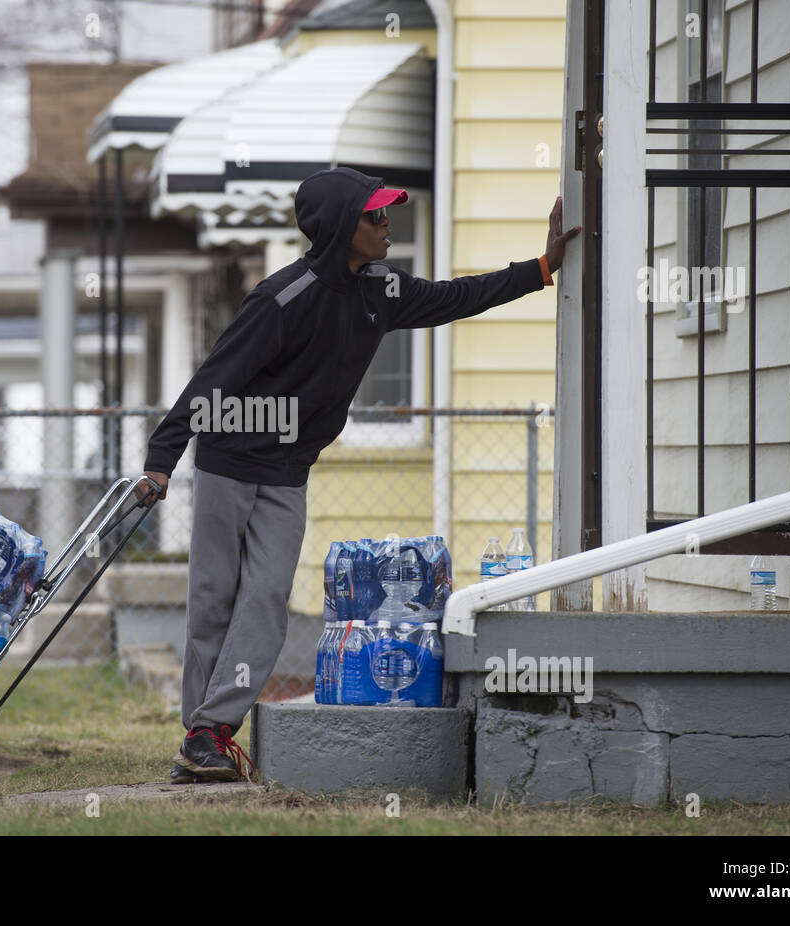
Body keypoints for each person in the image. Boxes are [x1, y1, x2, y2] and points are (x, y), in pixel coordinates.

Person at [137, 166, 580, 783]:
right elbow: (213, 380)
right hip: (230, 462)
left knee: (265, 598)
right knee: (214, 599)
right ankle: (200, 736)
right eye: (375, 216)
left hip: (289, 471)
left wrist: (538, 269)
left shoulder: (383, 290)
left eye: (386, 213)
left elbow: (454, 298)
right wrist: (161, 463)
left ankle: (211, 731)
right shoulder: (281, 299)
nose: (386, 224)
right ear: (343, 226)